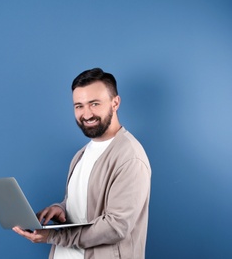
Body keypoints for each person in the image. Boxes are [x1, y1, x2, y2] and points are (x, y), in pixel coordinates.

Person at [13, 68, 151, 259]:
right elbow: (83, 205)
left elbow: (116, 227)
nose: (86, 114)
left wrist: (54, 235)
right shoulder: (82, 154)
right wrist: (61, 209)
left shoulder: (130, 157)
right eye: (79, 106)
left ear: (115, 103)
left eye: (94, 104)